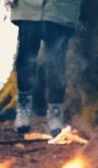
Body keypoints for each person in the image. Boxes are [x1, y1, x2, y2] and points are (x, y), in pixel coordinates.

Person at [10, 0, 82, 137]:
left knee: (57, 63)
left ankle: (55, 112)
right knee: (25, 60)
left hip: (60, 9)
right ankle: (23, 109)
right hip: (28, 7)